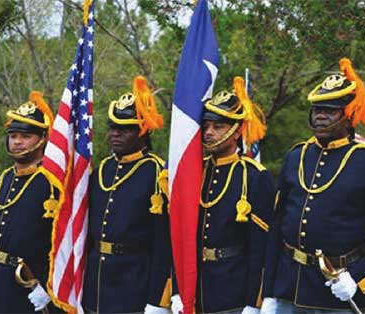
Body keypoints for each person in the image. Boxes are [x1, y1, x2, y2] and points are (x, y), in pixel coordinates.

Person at [261, 58, 365, 313]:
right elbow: (276, 228)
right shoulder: (296, 156)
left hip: (338, 289)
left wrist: (358, 279)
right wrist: (269, 292)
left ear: (349, 114)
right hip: (289, 288)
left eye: (330, 110)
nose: (321, 116)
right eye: (317, 109)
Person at [171, 77, 275, 314]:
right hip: (195, 290)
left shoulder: (255, 176)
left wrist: (254, 303)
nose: (209, 133)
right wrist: (177, 289)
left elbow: (262, 248)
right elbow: (179, 235)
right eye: (206, 126)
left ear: (237, 132)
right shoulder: (195, 173)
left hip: (233, 292)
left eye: (218, 127)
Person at [82, 76, 171, 314]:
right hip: (95, 287)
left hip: (134, 285)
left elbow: (164, 244)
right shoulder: (101, 170)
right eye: (112, 128)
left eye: (125, 129)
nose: (115, 134)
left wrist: (158, 300)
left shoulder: (158, 173)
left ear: (142, 130)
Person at [0, 91, 59, 313]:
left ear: (43, 139)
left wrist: (48, 288)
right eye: (13, 136)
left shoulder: (52, 186)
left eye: (25, 136)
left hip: (27, 292)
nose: (17, 142)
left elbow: (64, 246)